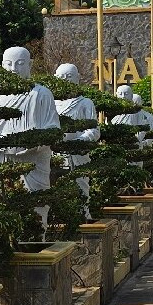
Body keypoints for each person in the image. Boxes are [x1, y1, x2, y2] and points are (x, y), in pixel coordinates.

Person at [0, 46, 61, 227]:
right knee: (0, 208)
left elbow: (53, 128)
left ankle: (38, 237)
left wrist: (32, 143)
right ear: (2, 65)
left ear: (30, 65)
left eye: (19, 64)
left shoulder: (41, 94)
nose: (13, 69)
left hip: (34, 162)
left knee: (36, 209)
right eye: (8, 64)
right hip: (2, 162)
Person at [54, 63, 100, 219]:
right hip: (55, 153)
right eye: (61, 77)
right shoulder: (51, 102)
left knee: (81, 185)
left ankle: (83, 215)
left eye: (69, 76)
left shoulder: (85, 102)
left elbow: (94, 131)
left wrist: (78, 141)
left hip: (78, 154)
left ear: (77, 78)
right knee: (55, 187)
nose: (65, 80)